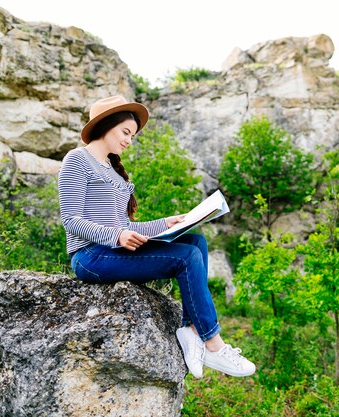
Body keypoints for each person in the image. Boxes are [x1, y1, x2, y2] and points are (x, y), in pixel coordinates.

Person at [58, 95, 255, 378]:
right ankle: (213, 344)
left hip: (112, 251)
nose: (129, 140)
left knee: (196, 242)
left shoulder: (115, 174)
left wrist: (168, 223)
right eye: (125, 132)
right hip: (90, 256)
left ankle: (190, 331)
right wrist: (118, 235)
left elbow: (125, 226)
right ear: (104, 125)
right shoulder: (77, 160)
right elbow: (72, 219)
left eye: (133, 136)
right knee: (186, 257)